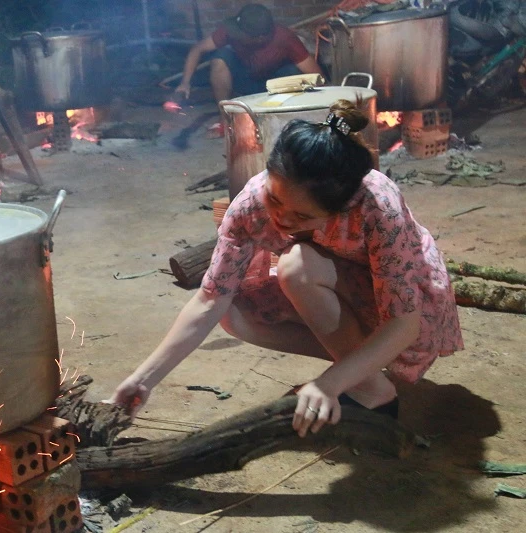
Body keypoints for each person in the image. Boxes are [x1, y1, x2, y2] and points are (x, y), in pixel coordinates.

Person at [109, 100, 464, 437]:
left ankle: (370, 391)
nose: (281, 218)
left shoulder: (376, 204)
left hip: (402, 309)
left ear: (341, 208)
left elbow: (403, 324)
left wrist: (328, 384)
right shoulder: (251, 203)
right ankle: (365, 378)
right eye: (275, 199)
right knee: (233, 311)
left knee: (297, 267)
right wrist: (143, 380)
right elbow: (209, 299)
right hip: (342, 296)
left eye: (302, 216)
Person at [174, 3, 323, 105]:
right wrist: (184, 83)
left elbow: (316, 75)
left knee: (293, 71)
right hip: (246, 81)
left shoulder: (284, 37)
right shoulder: (231, 30)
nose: (238, 35)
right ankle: (226, 116)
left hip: (275, 87)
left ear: (260, 37)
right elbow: (197, 49)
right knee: (220, 57)